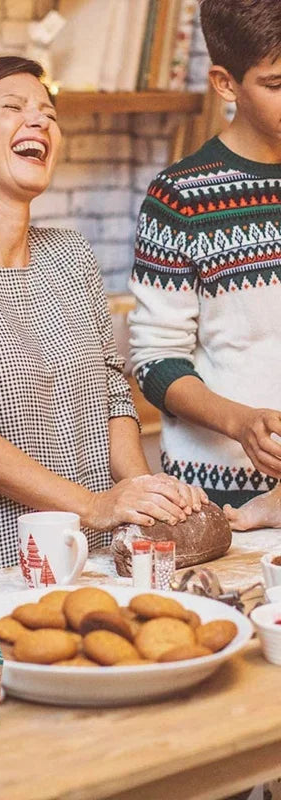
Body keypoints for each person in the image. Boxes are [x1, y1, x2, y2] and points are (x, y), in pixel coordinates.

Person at [0, 56, 204, 581]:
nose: (40, 122)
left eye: (48, 113)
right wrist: (94, 505)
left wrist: (142, 500)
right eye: (14, 108)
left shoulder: (71, 255)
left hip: (91, 556)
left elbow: (111, 391)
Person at [129, 0, 281, 532]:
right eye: (277, 83)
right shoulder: (180, 198)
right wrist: (241, 423)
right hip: (218, 492)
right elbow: (154, 362)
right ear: (225, 83)